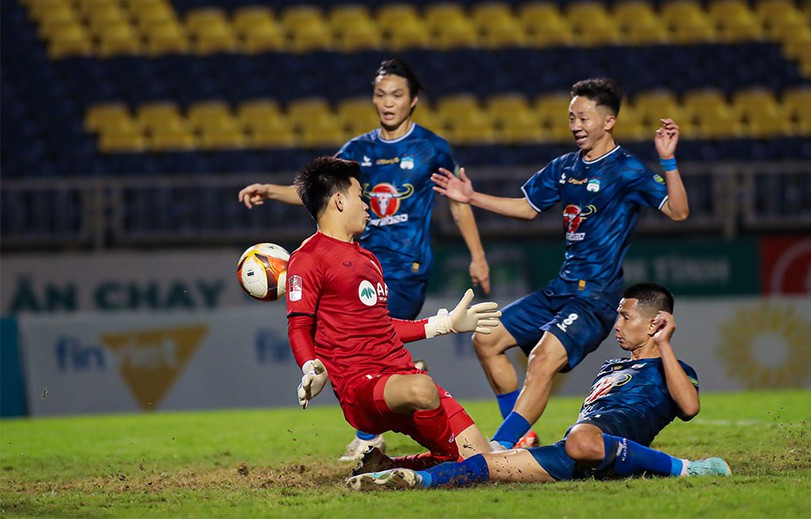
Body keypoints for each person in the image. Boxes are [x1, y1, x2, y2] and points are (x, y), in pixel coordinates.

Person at [238, 58, 491, 460]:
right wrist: (270, 190)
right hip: (356, 261)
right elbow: (319, 191)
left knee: (371, 334)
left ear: (413, 101)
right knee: (358, 337)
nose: (387, 102)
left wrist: (477, 256)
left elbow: (459, 204)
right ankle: (378, 418)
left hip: (404, 268)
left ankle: (377, 425)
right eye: (380, 94)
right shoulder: (357, 152)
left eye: (396, 94)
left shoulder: (433, 148)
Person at [430, 78, 690, 450]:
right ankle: (524, 435)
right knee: (485, 339)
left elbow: (679, 211)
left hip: (595, 298)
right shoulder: (565, 167)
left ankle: (499, 448)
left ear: (608, 121)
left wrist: (667, 160)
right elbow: (526, 209)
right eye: (571, 117)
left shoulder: (626, 170)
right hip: (559, 290)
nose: (575, 125)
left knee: (540, 360)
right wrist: (471, 197)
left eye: (583, 117)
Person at [346, 282, 731, 491]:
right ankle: (402, 474)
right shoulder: (611, 366)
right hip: (574, 452)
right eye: (616, 316)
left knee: (581, 439)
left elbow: (690, 407)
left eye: (625, 317)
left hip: (592, 443)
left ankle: (689, 470)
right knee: (481, 465)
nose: (616, 325)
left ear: (653, 323)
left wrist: (664, 344)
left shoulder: (673, 367)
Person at [287, 156, 501, 471]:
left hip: (400, 374)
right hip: (361, 387)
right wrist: (310, 368)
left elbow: (382, 326)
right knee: (424, 390)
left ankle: (386, 466)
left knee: (485, 462)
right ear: (339, 201)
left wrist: (445, 324)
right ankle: (448, 463)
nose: (367, 205)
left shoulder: (368, 259)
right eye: (361, 196)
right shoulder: (307, 258)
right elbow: (298, 326)